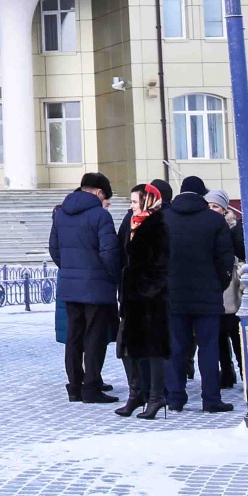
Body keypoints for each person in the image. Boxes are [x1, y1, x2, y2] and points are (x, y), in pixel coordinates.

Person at [163, 175, 236, 413]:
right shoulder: (215, 221)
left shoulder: (163, 219)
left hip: (172, 294)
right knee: (208, 346)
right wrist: (219, 284)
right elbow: (225, 259)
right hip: (208, 294)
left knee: (176, 346)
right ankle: (211, 398)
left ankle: (175, 397)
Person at [49, 171, 121, 403]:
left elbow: (54, 249)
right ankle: (91, 386)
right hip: (97, 287)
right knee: (94, 337)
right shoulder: (100, 216)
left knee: (74, 336)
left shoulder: (61, 214)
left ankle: (74, 386)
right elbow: (109, 253)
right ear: (100, 192)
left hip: (70, 287)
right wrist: (112, 277)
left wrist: (70, 269)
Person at [116, 181, 170, 418]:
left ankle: (156, 397)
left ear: (148, 201)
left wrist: (146, 290)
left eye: (135, 201)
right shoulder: (131, 223)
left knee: (153, 348)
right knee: (126, 347)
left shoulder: (157, 226)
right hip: (131, 298)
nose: (131, 206)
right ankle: (136, 393)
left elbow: (161, 266)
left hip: (150, 300)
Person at [205, 189, 244, 390]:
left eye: (216, 206)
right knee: (218, 336)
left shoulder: (233, 228)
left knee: (237, 334)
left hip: (232, 288)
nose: (212, 210)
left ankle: (245, 372)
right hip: (214, 290)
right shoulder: (205, 227)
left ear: (224, 209)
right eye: (209, 206)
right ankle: (227, 373)